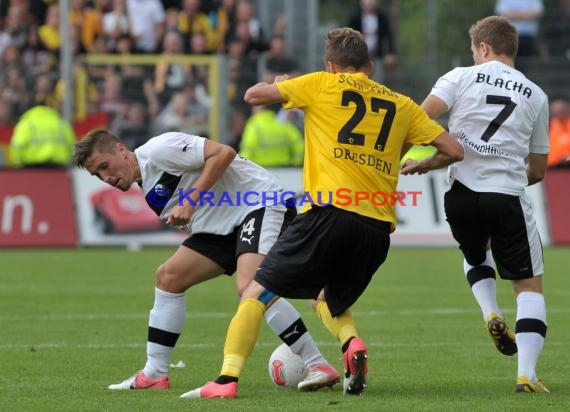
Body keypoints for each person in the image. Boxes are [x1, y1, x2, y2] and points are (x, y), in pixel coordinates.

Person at [182, 27, 463, 399]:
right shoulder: (403, 105)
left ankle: (225, 381)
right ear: (371, 65)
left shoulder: (321, 84)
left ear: (331, 66)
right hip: (376, 228)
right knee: (326, 298)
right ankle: (351, 344)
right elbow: (454, 149)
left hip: (328, 213)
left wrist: (283, 83)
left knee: (255, 293)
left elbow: (252, 95)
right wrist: (426, 165)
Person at [71, 129, 340, 392]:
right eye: (98, 174)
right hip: (222, 225)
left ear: (120, 149)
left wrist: (189, 200)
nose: (106, 177)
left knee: (250, 286)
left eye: (105, 166)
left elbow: (223, 153)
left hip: (259, 203)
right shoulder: (146, 182)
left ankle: (318, 364)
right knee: (168, 277)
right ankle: (154, 373)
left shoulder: (160, 149)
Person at [412, 16, 550, 393]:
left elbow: (420, 119)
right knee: (528, 287)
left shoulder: (459, 77)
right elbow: (537, 169)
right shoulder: (536, 95)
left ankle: (489, 311)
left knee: (476, 254)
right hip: (504, 195)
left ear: (484, 48)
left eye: (475, 50)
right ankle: (527, 374)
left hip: (459, 196)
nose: (473, 56)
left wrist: (431, 159)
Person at [10, 103, 76, 168]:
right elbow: (72, 146)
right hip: (58, 168)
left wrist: (18, 164)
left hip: (31, 168)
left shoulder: (26, 122)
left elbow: (18, 145)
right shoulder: (61, 122)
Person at [239, 103, 304, 167]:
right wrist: (296, 162)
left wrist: (244, 166)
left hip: (262, 168)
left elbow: (248, 148)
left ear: (259, 108)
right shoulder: (283, 124)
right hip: (284, 167)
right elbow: (299, 143)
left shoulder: (254, 125)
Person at [495, 0, 544, 72]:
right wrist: (527, 15)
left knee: (524, 64)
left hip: (527, 37)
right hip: (508, 36)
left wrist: (515, 15)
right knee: (508, 64)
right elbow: (503, 13)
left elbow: (538, 12)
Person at [547, 98, 570, 168]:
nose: (560, 112)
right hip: (551, 166)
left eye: (562, 110)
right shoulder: (549, 124)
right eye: (557, 110)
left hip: (566, 165)